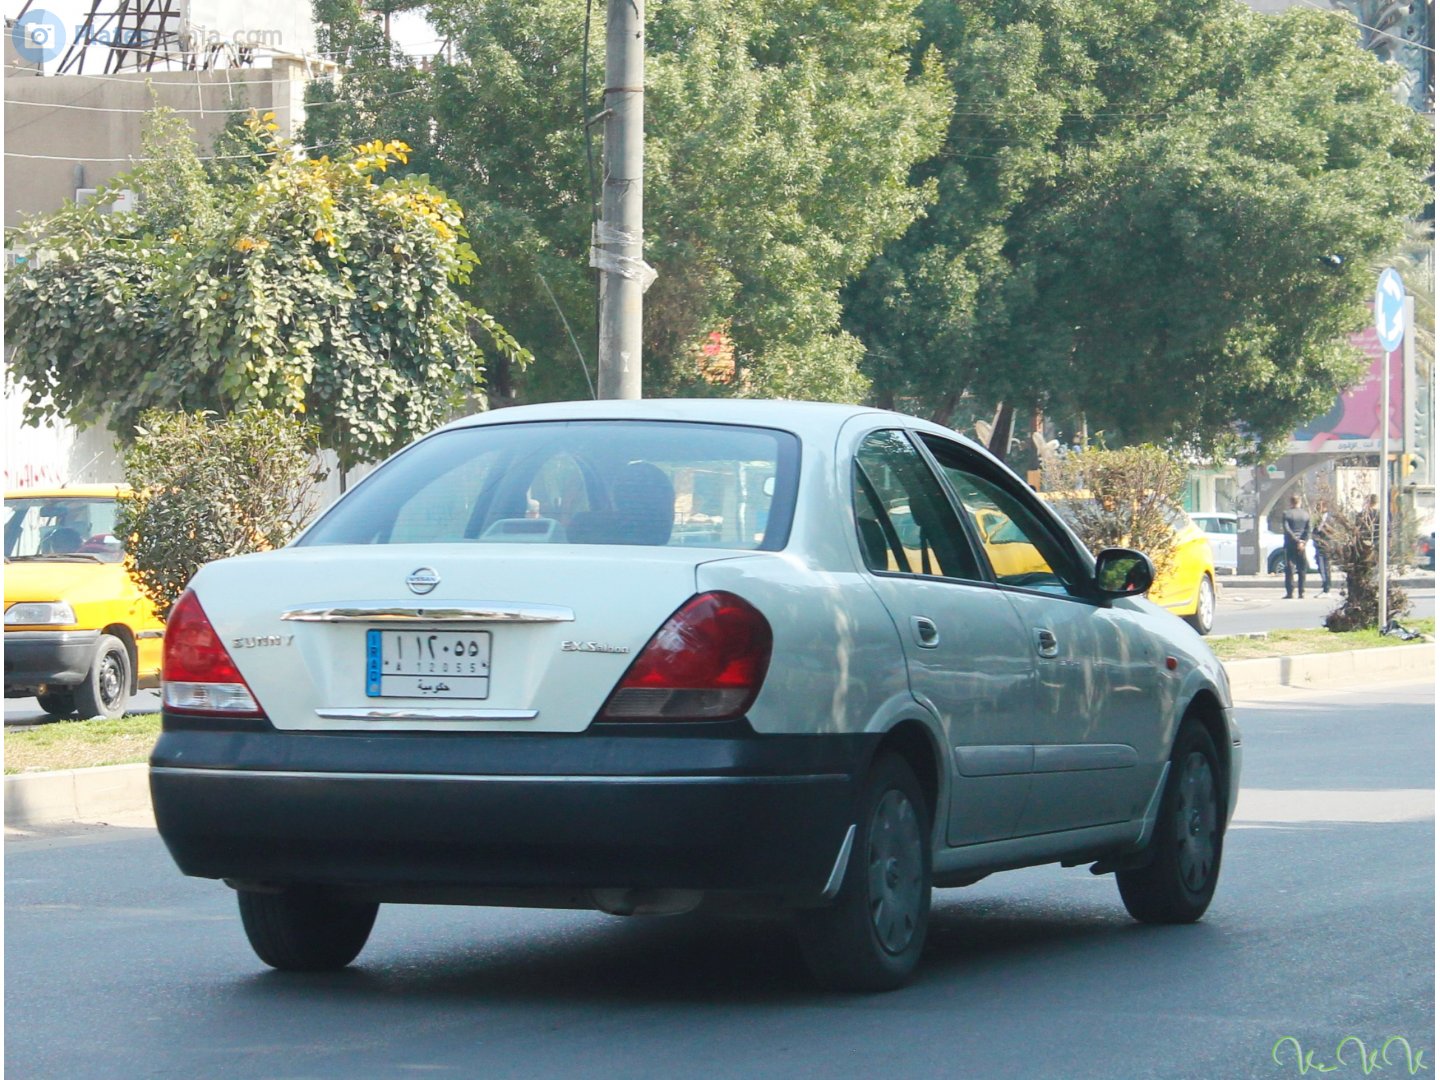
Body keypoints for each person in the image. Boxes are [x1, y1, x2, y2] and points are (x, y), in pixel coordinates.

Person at [1281, 493, 1310, 599]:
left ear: (1291, 502)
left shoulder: (1286, 514)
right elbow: (1308, 530)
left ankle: (1290, 592)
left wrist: (1296, 540)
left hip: (1290, 544)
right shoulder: (1306, 514)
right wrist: (1303, 541)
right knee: (1302, 568)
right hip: (1301, 545)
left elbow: (1287, 529)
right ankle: (1301, 592)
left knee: (1289, 569)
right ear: (1300, 502)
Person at [1312, 498, 1333, 594]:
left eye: (1319, 506)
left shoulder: (1330, 518)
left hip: (1326, 545)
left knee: (1326, 566)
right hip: (1318, 545)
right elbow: (1315, 530)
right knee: (1320, 566)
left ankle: (1327, 586)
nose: (1317, 508)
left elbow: (1332, 532)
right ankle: (1325, 583)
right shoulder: (1318, 518)